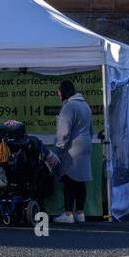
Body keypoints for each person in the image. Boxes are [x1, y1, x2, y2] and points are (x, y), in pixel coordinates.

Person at [53, 79, 93, 224]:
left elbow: (64, 132)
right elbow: (91, 129)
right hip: (85, 145)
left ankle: (68, 214)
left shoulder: (69, 106)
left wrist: (59, 147)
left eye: (58, 91)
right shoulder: (85, 105)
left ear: (63, 91)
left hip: (72, 148)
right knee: (80, 181)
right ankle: (80, 213)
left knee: (69, 180)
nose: (58, 94)